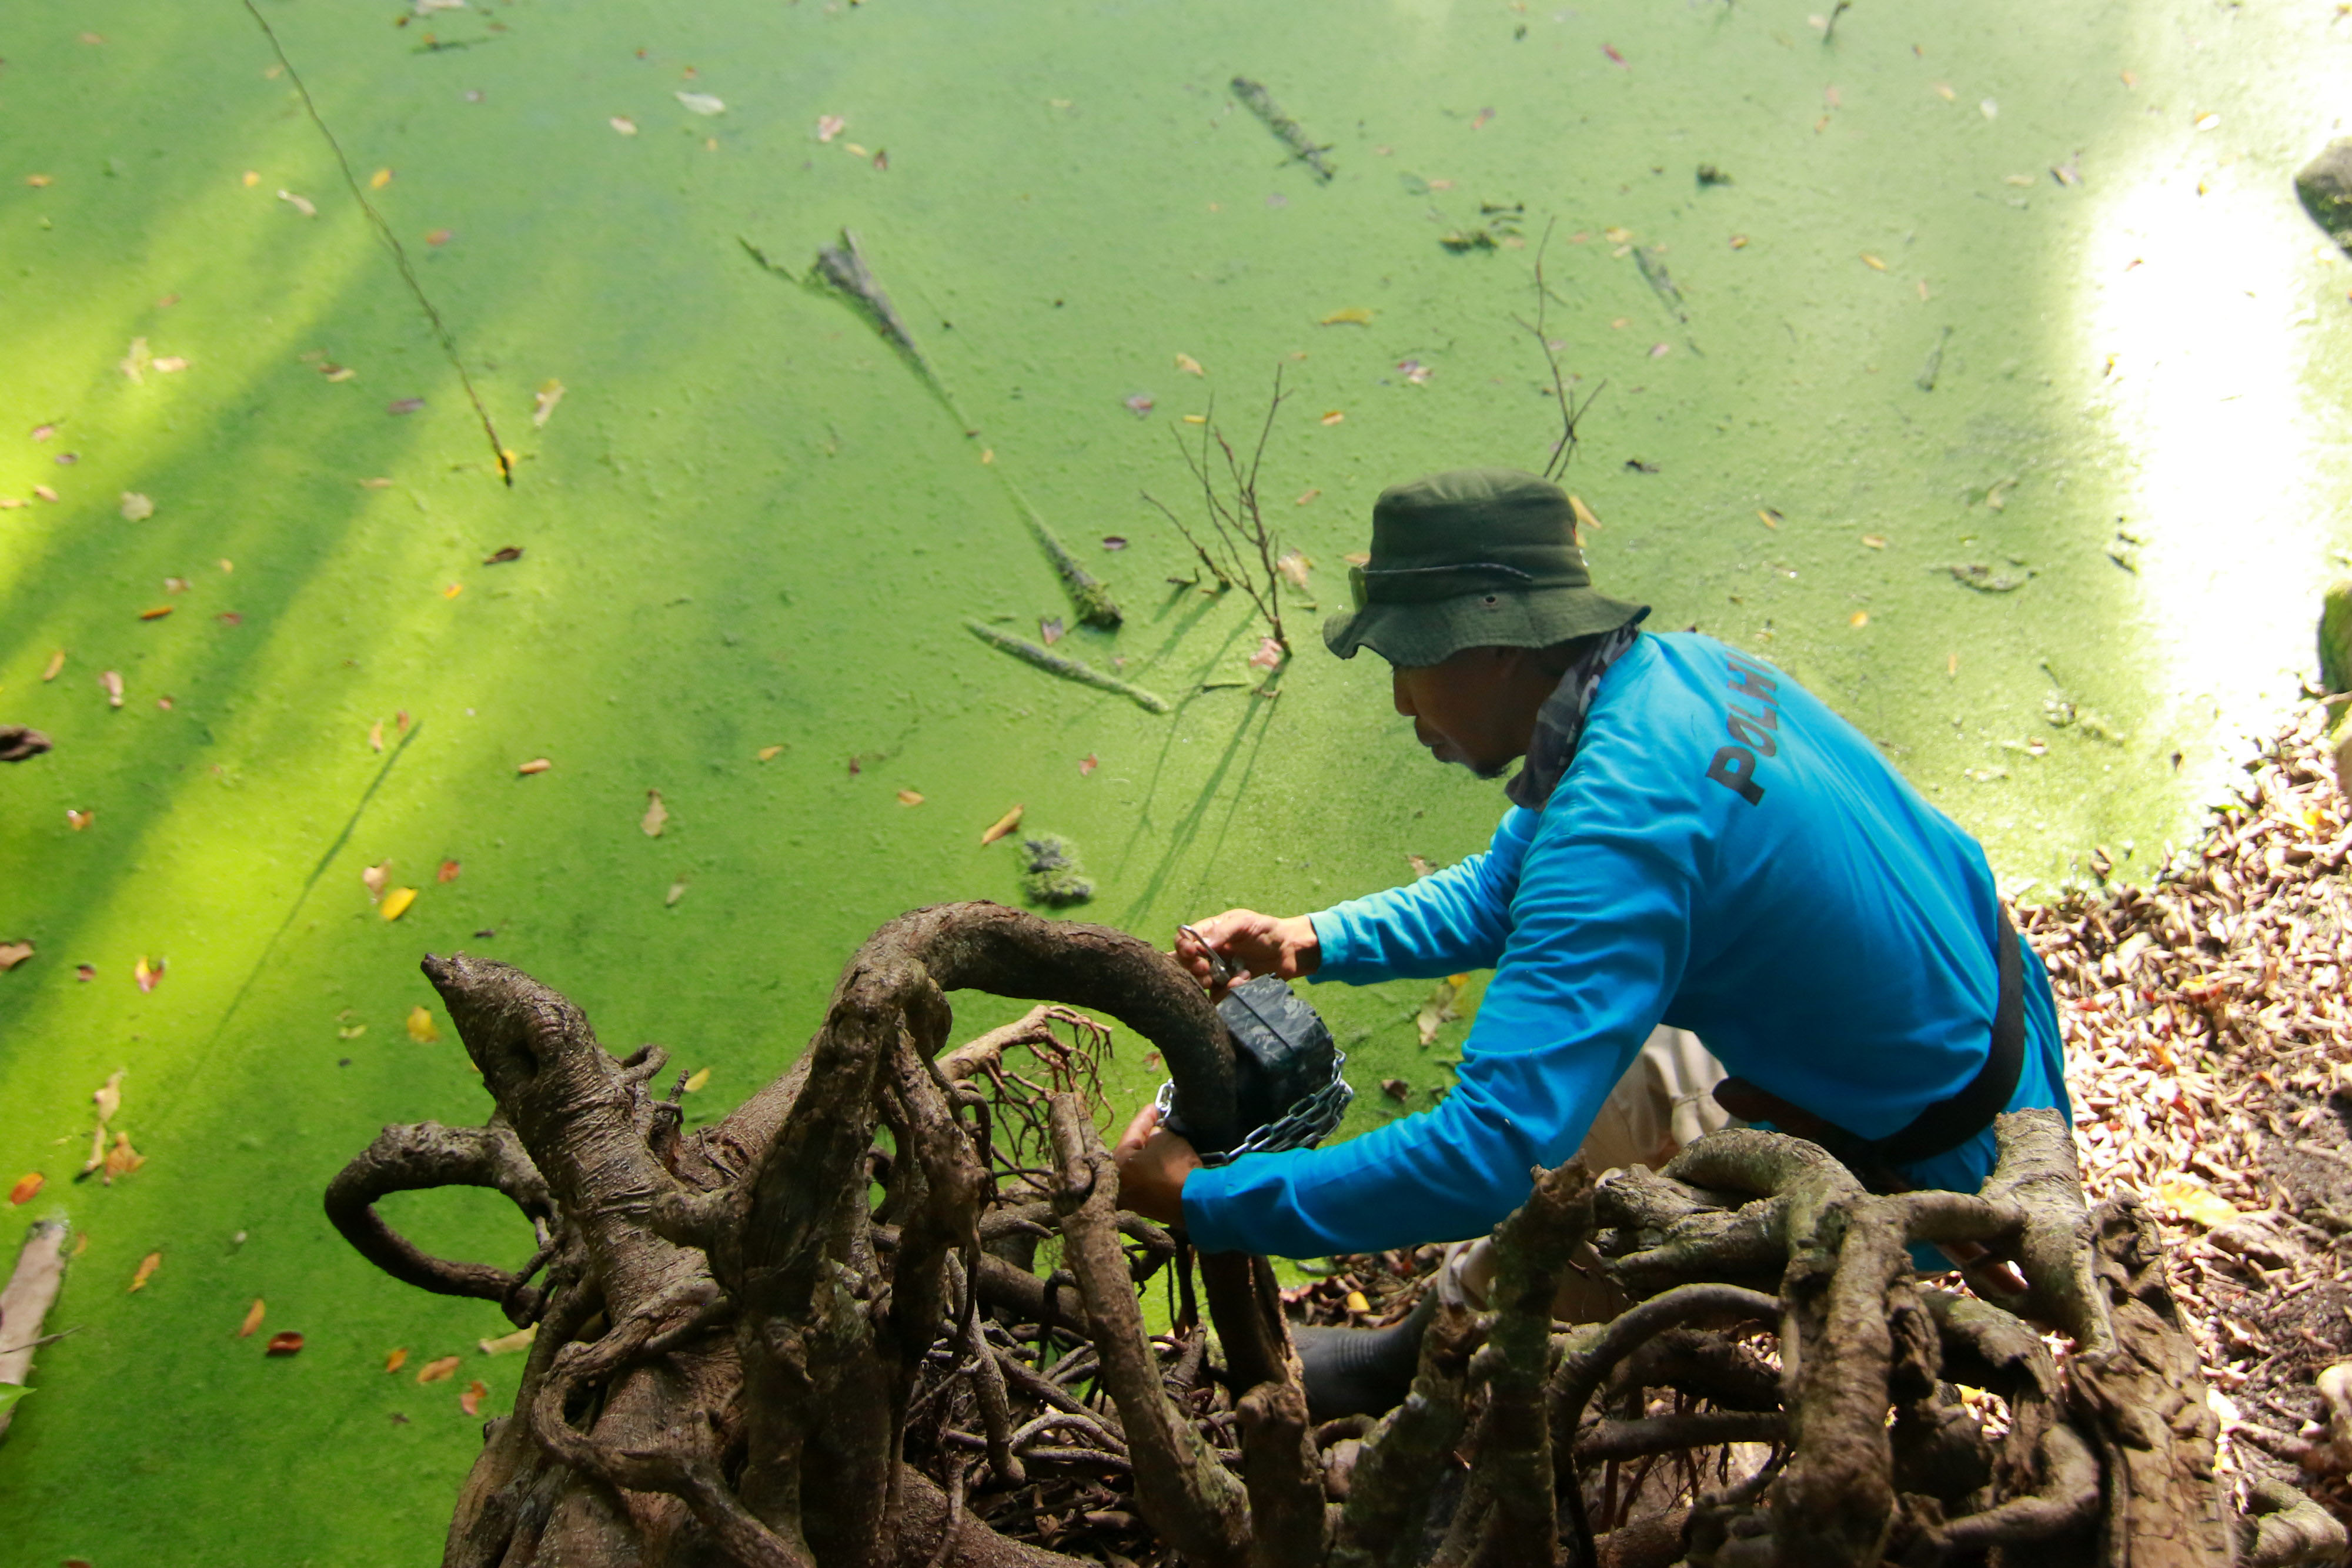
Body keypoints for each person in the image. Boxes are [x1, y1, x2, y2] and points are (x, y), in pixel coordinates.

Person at [1111, 467, 2071, 1413]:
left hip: (1930, 1156)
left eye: (1411, 662)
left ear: (1494, 648)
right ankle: (1420, 1347)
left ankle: (1466, 1412)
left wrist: (1204, 1199)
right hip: (1998, 1024)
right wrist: (1309, 940)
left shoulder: (1619, 821)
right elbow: (1505, 894)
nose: (1403, 704)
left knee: (1577, 1212)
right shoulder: (1670, 675)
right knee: (1583, 1085)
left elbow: (1485, 1154)